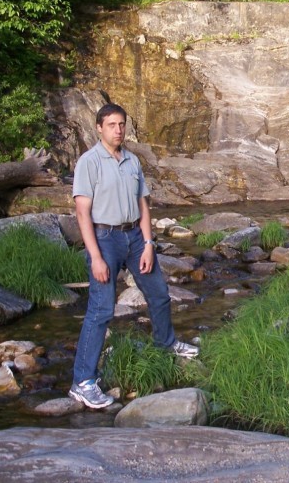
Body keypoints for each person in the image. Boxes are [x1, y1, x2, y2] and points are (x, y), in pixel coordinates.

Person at [69, 103, 199, 409]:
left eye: (122, 124)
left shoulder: (132, 161)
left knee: (159, 293)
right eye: (112, 125)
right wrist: (96, 257)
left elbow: (143, 205)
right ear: (99, 128)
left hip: (135, 237)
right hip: (104, 238)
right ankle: (82, 382)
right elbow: (81, 212)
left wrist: (150, 242)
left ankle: (165, 343)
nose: (118, 130)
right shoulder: (89, 162)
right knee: (101, 310)